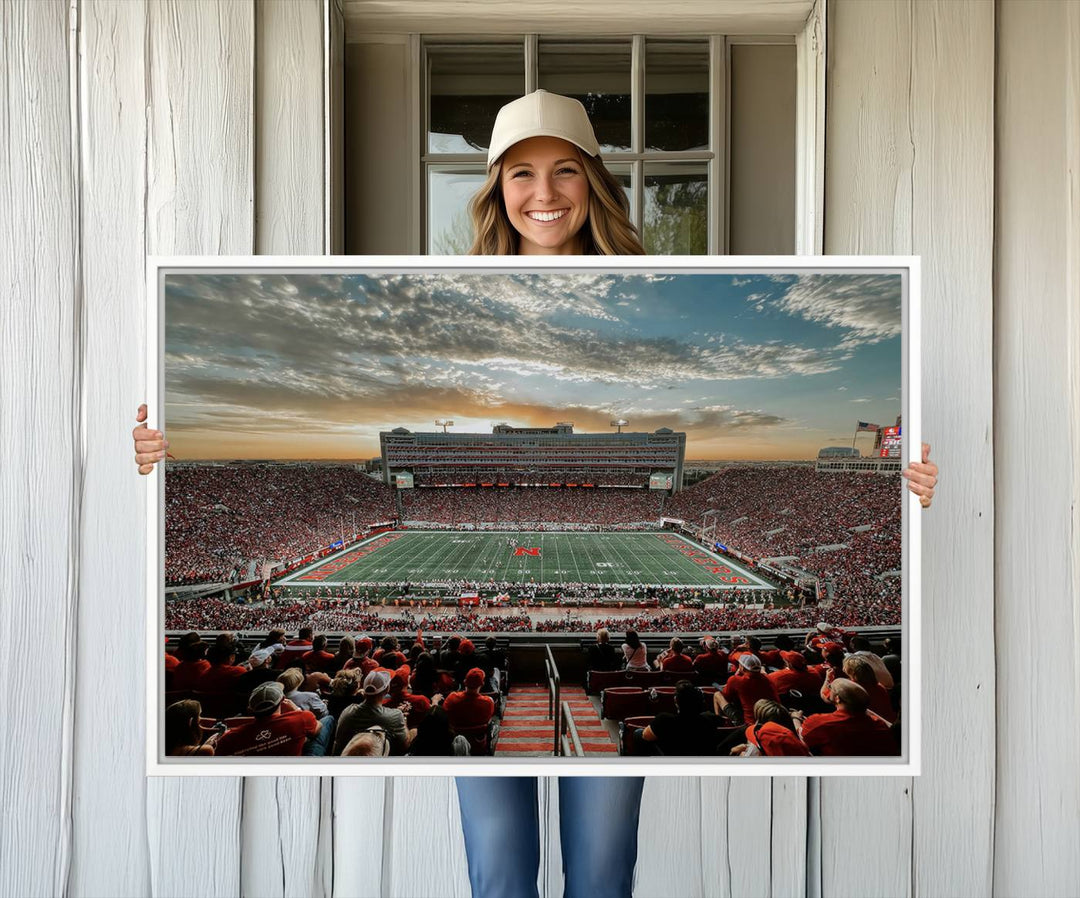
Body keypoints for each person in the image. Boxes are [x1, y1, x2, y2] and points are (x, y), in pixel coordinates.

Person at [133, 88, 938, 898]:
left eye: (564, 172)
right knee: (499, 868)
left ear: (594, 181)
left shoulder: (654, 282)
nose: (543, 194)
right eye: (520, 173)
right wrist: (154, 456)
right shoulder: (453, 288)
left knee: (601, 867)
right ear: (495, 189)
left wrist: (911, 486)